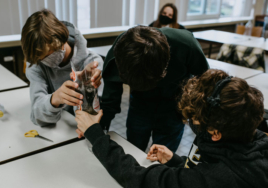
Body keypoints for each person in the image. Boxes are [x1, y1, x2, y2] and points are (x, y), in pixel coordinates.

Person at [75, 69, 268, 188]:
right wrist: (177, 161)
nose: (192, 122)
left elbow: (139, 178)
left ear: (216, 133)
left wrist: (95, 133)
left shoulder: (220, 178)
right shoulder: (254, 138)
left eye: (195, 119)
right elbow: (210, 168)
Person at [93, 25, 208, 152]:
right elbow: (110, 102)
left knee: (164, 159)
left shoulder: (185, 44)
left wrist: (194, 116)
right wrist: (96, 132)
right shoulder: (120, 51)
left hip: (174, 105)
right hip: (140, 104)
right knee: (134, 151)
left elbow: (205, 84)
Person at [21, 9, 103, 126]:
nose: (47, 59)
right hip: (61, 130)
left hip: (87, 129)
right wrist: (54, 99)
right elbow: (36, 115)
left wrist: (89, 84)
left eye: (50, 52)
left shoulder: (92, 62)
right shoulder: (36, 65)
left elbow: (102, 105)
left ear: (62, 39)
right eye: (42, 57)